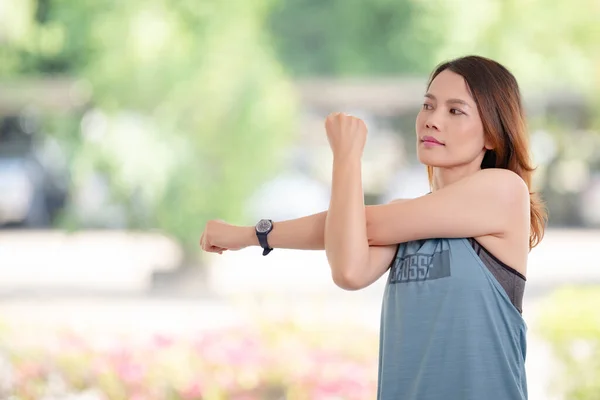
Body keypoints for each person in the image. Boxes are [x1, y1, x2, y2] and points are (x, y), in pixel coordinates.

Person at [199, 55, 547, 400]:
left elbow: (359, 222)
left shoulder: (503, 190)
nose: (432, 120)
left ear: (491, 132)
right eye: (428, 106)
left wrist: (347, 157)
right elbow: (348, 269)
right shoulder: (402, 222)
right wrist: (249, 235)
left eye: (455, 111)